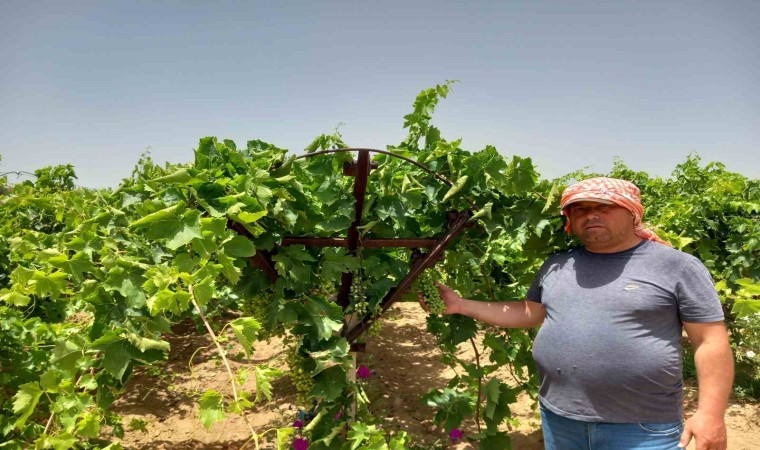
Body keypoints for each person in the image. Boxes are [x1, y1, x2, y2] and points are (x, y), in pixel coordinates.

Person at [421, 177, 733, 450]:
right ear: (570, 218)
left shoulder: (676, 266)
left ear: (632, 212)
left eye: (604, 206)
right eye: (580, 209)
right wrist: (461, 305)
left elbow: (710, 341)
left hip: (641, 427)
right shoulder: (558, 264)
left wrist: (710, 414)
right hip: (560, 420)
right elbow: (531, 312)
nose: (592, 215)